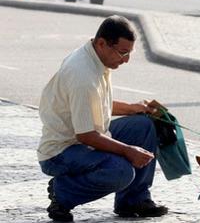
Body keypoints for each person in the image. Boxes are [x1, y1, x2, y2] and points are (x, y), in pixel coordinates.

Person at [37, 15, 168, 222]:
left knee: (144, 125)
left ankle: (133, 201)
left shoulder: (95, 57)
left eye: (129, 53)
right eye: (123, 52)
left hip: (89, 135)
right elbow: (86, 136)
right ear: (101, 43)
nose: (126, 60)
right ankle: (62, 192)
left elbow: (96, 104)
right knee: (121, 172)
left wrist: (133, 108)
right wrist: (128, 150)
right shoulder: (82, 75)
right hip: (61, 151)